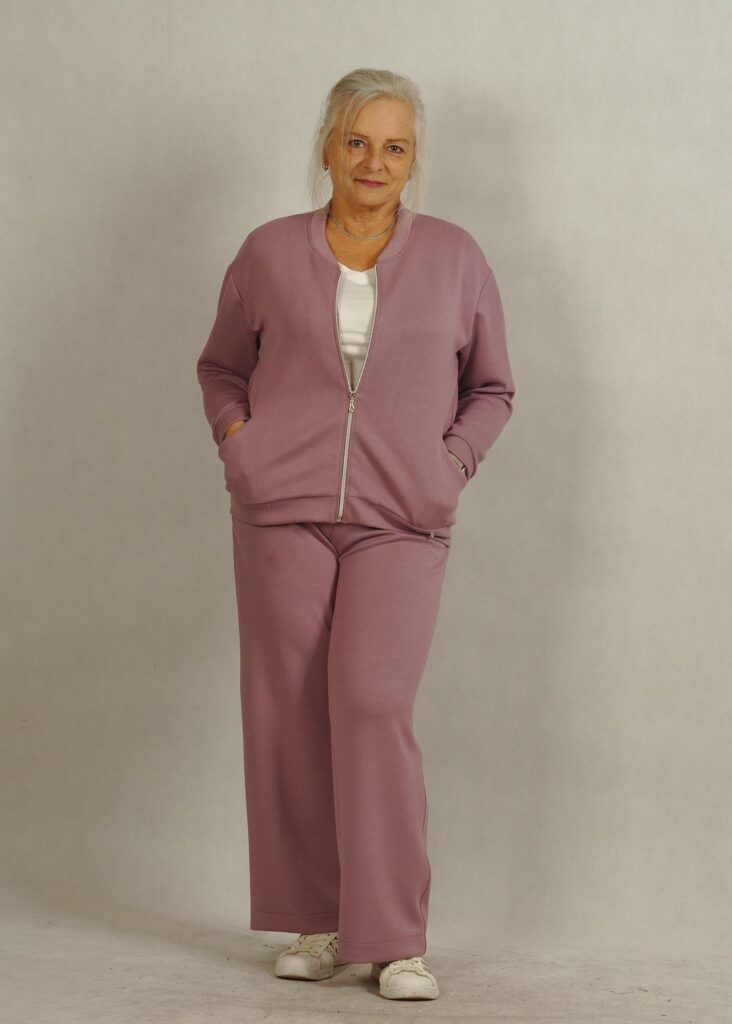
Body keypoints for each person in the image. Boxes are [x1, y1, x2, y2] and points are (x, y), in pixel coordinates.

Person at [196, 67, 516, 1002]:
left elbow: (492, 387)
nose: (375, 162)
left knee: (372, 703)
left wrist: (448, 465)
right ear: (329, 148)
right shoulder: (266, 252)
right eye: (358, 142)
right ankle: (320, 924)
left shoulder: (456, 257)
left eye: (395, 146)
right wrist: (242, 446)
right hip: (280, 512)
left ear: (414, 160)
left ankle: (396, 938)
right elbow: (221, 367)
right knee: (291, 711)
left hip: (402, 520)